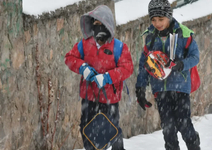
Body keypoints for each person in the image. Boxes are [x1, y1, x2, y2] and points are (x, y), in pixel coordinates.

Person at [64, 5, 133, 150]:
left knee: (112, 131)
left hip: (110, 98)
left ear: (108, 25)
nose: (98, 28)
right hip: (88, 97)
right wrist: (83, 68)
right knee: (86, 128)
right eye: (95, 24)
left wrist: (108, 77)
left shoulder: (119, 47)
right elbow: (69, 58)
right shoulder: (84, 44)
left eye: (101, 24)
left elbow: (127, 68)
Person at [135, 0, 200, 150]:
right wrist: (141, 87)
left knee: (183, 123)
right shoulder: (150, 37)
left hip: (180, 88)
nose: (157, 23)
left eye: (161, 19)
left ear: (169, 16)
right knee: (168, 128)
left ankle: (194, 144)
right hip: (160, 89)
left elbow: (195, 57)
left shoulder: (183, 34)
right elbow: (144, 65)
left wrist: (181, 64)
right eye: (153, 19)